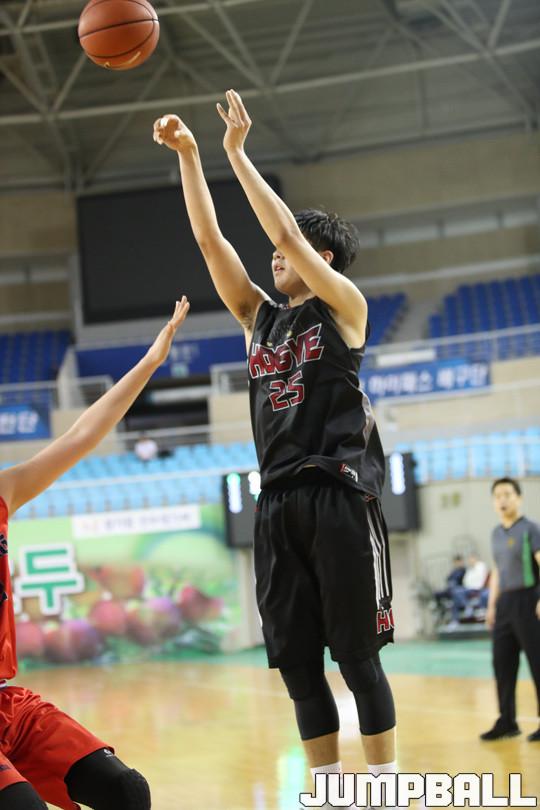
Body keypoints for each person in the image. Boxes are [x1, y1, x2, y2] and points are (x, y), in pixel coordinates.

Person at [154, 91, 399, 807]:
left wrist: (236, 152)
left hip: (338, 496)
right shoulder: (259, 321)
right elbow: (211, 245)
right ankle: (329, 792)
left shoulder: (345, 308)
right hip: (277, 504)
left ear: (324, 260)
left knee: (357, 660)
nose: (274, 256)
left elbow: (286, 234)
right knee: (298, 669)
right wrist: (191, 157)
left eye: (290, 253)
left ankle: (385, 791)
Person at [0, 298, 190, 809]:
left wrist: (150, 361)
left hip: (7, 704)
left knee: (126, 790)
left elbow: (82, 435)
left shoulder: (3, 491)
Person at [480, 477, 540, 742]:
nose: (502, 500)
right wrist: (492, 606)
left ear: (519, 498)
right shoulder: (495, 533)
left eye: (507, 494)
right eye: (497, 496)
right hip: (504, 604)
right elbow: (497, 571)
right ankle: (507, 721)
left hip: (529, 600)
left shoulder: (530, 529)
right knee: (502, 664)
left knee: (537, 663)